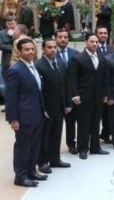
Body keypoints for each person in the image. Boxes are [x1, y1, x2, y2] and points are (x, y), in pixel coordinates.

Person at [5, 38, 47, 187]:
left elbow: (37, 91)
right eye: (27, 49)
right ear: (20, 51)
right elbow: (10, 98)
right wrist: (13, 119)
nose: (30, 52)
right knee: (23, 147)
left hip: (37, 115)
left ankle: (31, 172)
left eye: (32, 49)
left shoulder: (33, 66)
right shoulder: (15, 70)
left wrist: (43, 110)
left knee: (34, 146)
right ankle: (20, 177)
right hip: (23, 117)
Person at [68, 33, 109, 160]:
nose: (95, 44)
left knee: (96, 122)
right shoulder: (78, 58)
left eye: (96, 42)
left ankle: (95, 146)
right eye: (92, 41)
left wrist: (106, 94)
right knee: (84, 123)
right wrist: (74, 95)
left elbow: (105, 78)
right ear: (86, 42)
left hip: (98, 96)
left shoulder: (102, 58)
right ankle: (83, 148)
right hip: (84, 96)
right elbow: (72, 79)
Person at [35, 39, 71, 174]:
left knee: (56, 134)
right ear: (43, 49)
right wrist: (42, 109)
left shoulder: (60, 64)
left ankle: (55, 159)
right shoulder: (38, 65)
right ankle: (43, 162)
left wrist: (67, 104)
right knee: (45, 136)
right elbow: (38, 91)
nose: (53, 50)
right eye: (49, 47)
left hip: (59, 107)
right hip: (46, 109)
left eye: (54, 47)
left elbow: (65, 85)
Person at [55, 29, 80, 154]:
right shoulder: (51, 54)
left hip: (71, 94)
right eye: (60, 37)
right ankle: (53, 149)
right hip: (57, 96)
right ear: (56, 38)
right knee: (56, 125)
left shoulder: (75, 53)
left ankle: (71, 144)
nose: (63, 39)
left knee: (71, 123)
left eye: (65, 37)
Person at [96, 26, 114, 144]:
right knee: (97, 116)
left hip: (109, 87)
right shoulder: (92, 48)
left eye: (105, 33)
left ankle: (106, 134)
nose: (103, 35)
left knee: (108, 115)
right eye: (100, 33)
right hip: (96, 88)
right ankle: (94, 138)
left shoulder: (111, 49)